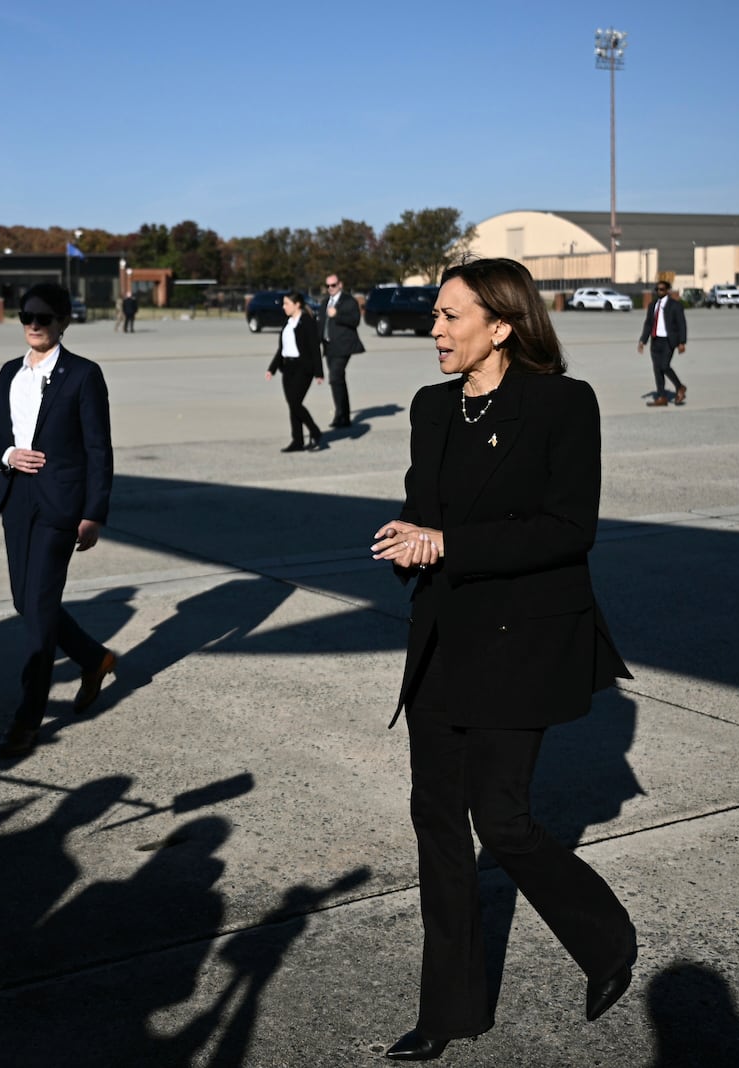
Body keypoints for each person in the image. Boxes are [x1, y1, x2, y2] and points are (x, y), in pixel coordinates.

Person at [370, 257, 636, 1061]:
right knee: (438, 824)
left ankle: (606, 936)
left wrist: (449, 542)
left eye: (451, 317)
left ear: (502, 324)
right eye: (437, 316)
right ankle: (448, 1010)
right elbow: (426, 509)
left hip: (523, 644)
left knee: (505, 821)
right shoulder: (431, 407)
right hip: (445, 640)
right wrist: (407, 542)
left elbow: (567, 529)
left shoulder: (562, 403)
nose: (435, 330)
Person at [0, 282, 116, 759]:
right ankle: (95, 658)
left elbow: (99, 448)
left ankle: (27, 718)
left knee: (37, 607)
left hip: (61, 505)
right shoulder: (8, 374)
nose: (33, 324)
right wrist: (8, 453)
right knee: (25, 601)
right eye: (25, 316)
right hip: (16, 497)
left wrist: (94, 512)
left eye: (43, 317)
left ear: (63, 321)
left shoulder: (83, 375)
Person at [264, 291, 325, 452]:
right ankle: (297, 441)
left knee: (295, 403)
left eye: (286, 304)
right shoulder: (288, 322)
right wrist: (272, 368)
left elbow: (314, 348)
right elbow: (282, 349)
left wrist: (319, 372)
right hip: (288, 368)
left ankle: (315, 431)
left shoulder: (307, 322)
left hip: (303, 368)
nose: (284, 307)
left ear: (297, 304)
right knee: (293, 405)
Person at [321, 273, 364, 427]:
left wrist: (337, 315)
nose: (330, 288)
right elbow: (322, 324)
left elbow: (355, 321)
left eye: (333, 285)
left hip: (343, 346)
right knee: (337, 381)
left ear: (340, 284)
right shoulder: (325, 302)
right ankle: (343, 415)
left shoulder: (348, 301)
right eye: (328, 286)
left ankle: (341, 415)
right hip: (329, 347)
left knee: (335, 377)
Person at [638, 280, 687, 406]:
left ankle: (679, 387)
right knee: (657, 369)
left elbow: (681, 324)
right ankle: (662, 397)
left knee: (664, 366)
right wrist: (643, 340)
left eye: (662, 289)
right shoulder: (652, 305)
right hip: (655, 340)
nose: (659, 291)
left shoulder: (675, 305)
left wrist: (682, 342)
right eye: (657, 289)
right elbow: (648, 323)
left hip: (668, 341)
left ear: (667, 291)